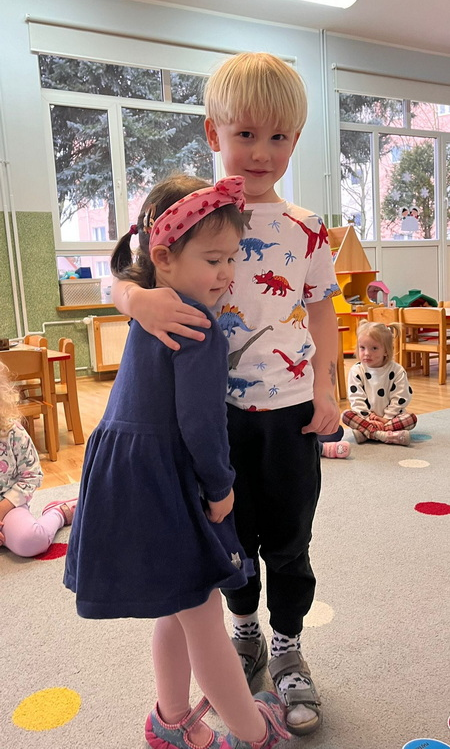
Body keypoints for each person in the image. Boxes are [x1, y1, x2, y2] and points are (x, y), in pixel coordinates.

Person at [111, 52, 341, 737]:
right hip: (209, 417)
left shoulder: (308, 228)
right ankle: (243, 633)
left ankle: (288, 647)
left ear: (295, 141)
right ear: (214, 133)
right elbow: (122, 271)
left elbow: (322, 308)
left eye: (278, 137)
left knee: (290, 539)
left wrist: (327, 387)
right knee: (227, 538)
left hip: (291, 412)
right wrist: (136, 301)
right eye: (245, 135)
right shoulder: (188, 212)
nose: (261, 152)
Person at [64, 174, 290, 749]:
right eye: (213, 260)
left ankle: (170, 720)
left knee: (178, 604)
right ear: (163, 258)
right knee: (205, 619)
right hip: (164, 481)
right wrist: (220, 486)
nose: (227, 273)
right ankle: (252, 733)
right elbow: (202, 424)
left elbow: (124, 282)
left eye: (233, 258)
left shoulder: (149, 309)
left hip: (127, 474)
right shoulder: (197, 325)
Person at [0, 361, 77, 557]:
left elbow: (31, 475)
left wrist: (1, 510)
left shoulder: (12, 432)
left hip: (8, 506)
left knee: (32, 541)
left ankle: (59, 512)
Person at [342, 320, 417, 446]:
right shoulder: (356, 371)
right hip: (366, 418)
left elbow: (401, 397)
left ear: (386, 350)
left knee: (411, 419)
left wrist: (386, 419)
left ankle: (367, 432)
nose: (367, 353)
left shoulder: (397, 370)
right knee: (345, 415)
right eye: (362, 348)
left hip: (391, 418)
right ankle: (386, 435)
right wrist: (367, 419)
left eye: (374, 348)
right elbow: (356, 399)